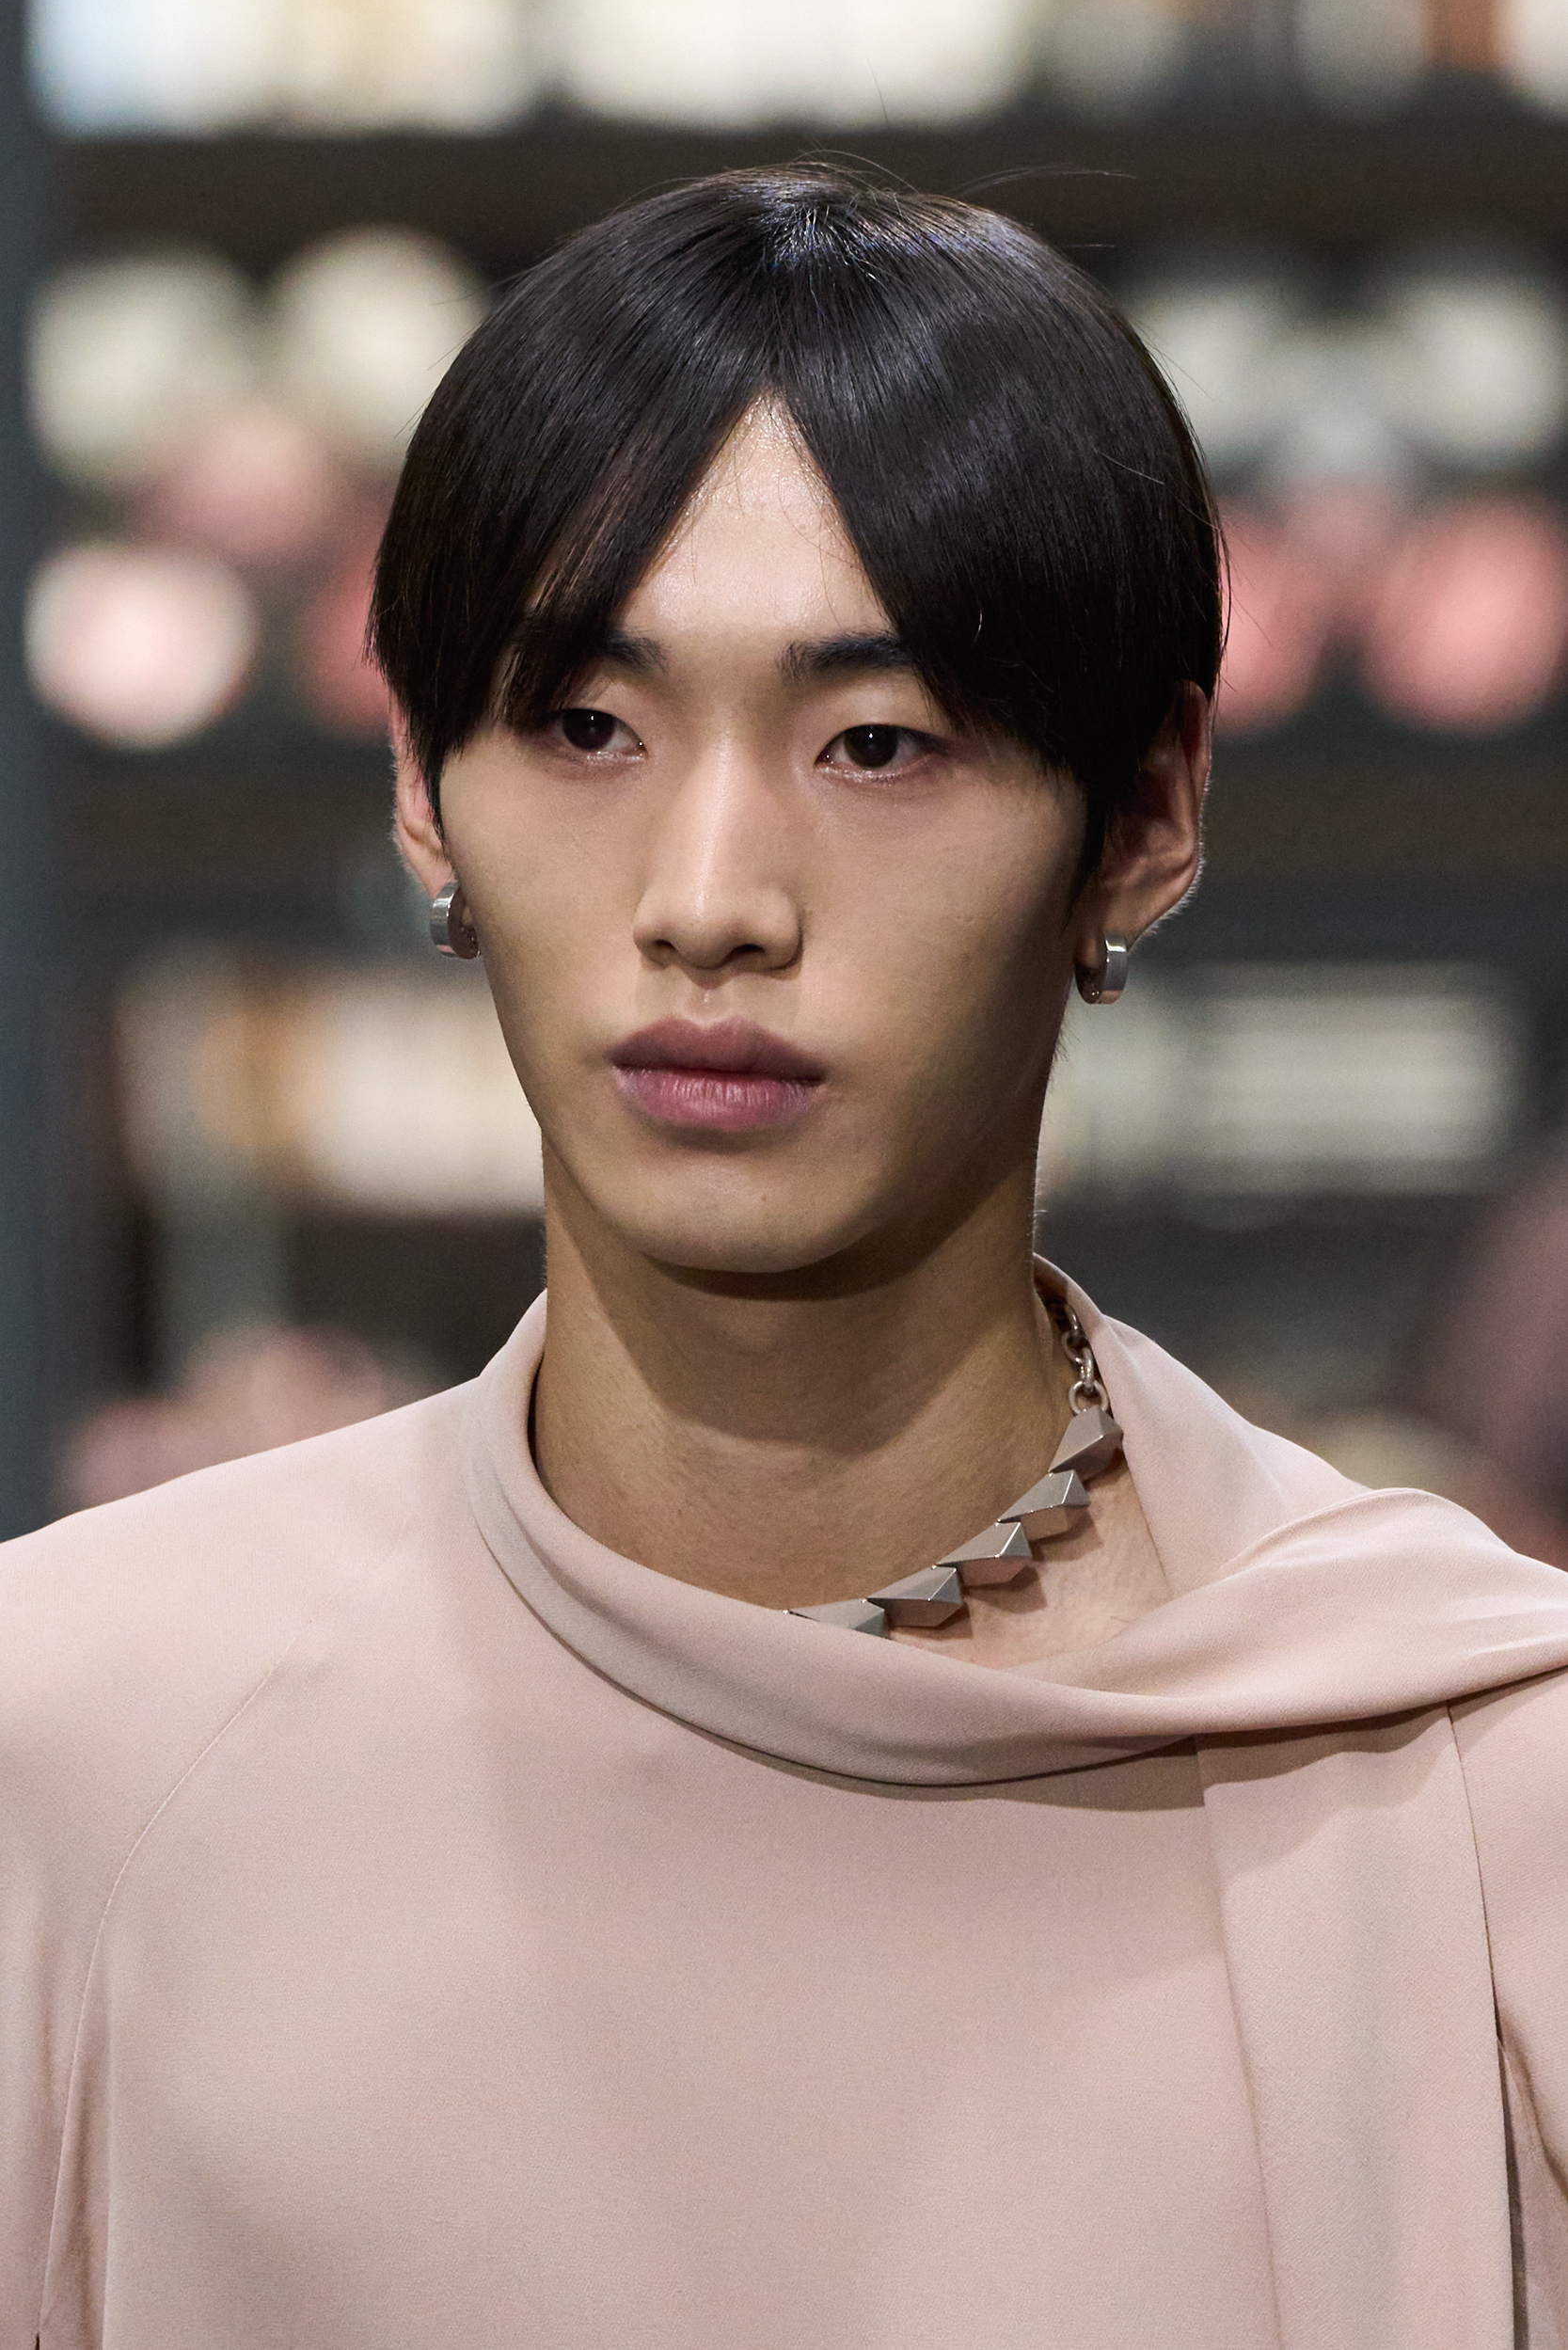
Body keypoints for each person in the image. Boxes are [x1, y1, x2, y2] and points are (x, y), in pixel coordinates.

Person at [7, 166, 1568, 2350]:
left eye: (878, 742)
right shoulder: (77, 1741)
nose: (712, 897)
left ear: (1145, 813)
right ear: (423, 787)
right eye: (587, 726)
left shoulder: (1475, 1785)